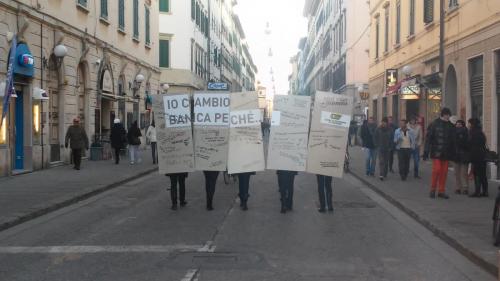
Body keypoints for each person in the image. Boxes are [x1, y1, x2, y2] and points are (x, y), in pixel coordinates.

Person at [424, 108, 455, 199]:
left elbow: (453, 141)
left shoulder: (451, 126)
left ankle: (441, 191)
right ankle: (432, 189)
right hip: (436, 152)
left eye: (449, 115)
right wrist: (426, 151)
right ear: (443, 114)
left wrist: (454, 153)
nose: (448, 116)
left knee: (444, 172)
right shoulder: (434, 124)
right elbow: (428, 138)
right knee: (436, 170)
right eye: (446, 114)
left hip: (446, 153)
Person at [468, 118, 488, 197]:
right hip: (482, 155)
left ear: (472, 124)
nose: (468, 125)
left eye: (469, 123)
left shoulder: (472, 132)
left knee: (477, 174)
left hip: (475, 155)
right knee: (483, 174)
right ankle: (485, 191)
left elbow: (469, 143)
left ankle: (477, 192)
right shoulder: (481, 132)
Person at [453, 120, 469, 195]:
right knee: (456, 173)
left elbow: (467, 144)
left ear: (463, 125)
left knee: (464, 173)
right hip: (456, 155)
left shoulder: (466, 133)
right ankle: (458, 188)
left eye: (460, 124)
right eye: (457, 124)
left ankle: (465, 188)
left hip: (464, 155)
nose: (458, 125)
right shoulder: (453, 132)